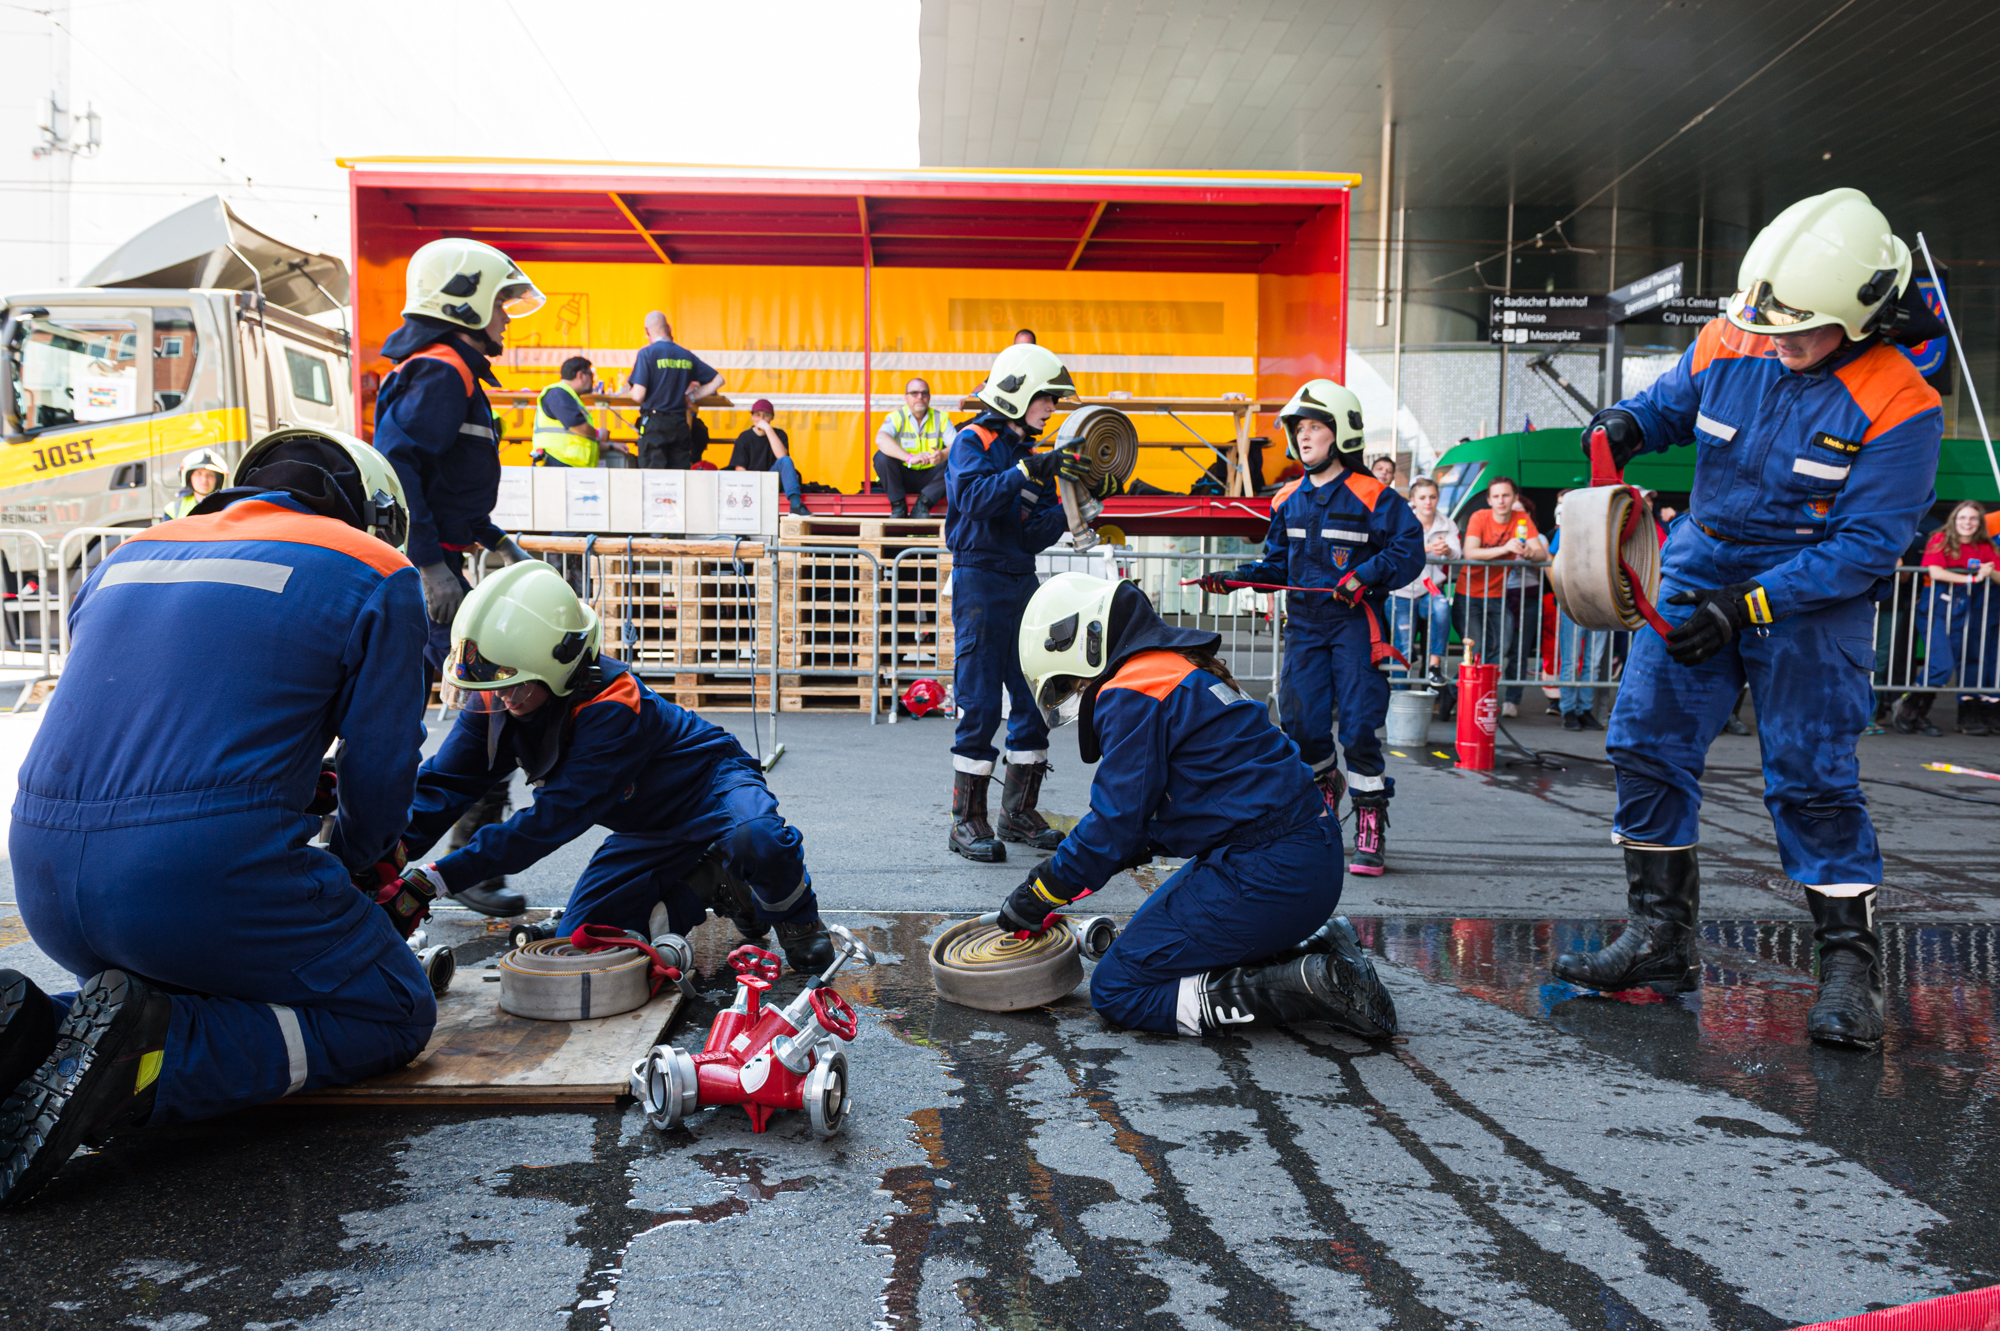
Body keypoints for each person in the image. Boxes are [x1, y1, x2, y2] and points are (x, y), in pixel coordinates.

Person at [1551, 188, 1946, 1049]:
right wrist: (1626, 420)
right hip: (1704, 553)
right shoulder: (1737, 331)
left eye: (1802, 333)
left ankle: (1848, 967)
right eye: (1771, 327)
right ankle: (1659, 940)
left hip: (1813, 595)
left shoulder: (1904, 403)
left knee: (1811, 777)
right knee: (1644, 741)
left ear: (1865, 315)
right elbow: (1670, 405)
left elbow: (1867, 545)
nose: (1780, 343)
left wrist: (1747, 608)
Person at [0, 428, 431, 1206]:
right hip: (192, 878)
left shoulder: (124, 556)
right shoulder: (378, 570)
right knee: (391, 1007)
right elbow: (382, 763)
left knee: (177, 975)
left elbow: (150, 720)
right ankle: (151, 1059)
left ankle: (32, 1034)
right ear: (367, 512)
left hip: (45, 879)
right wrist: (358, 865)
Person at [999, 572, 1398, 1040]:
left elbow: (1113, 827)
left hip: (1269, 874)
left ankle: (1307, 986)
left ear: (1086, 641)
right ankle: (1317, 946)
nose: (1072, 693)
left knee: (1121, 987)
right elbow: (1192, 808)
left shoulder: (1134, 689)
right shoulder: (1177, 670)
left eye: (1067, 682)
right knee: (1151, 949)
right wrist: (1105, 859)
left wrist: (1038, 893)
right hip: (1300, 863)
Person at [390, 561, 835, 974]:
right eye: (494, 686)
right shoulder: (502, 689)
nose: (502, 698)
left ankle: (795, 919)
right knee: (582, 941)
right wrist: (381, 860)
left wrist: (436, 880)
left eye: (514, 686)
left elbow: (552, 819)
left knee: (754, 838)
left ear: (559, 664)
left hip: (710, 789)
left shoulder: (613, 705)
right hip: (648, 826)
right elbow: (443, 784)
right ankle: (713, 881)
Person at [1201, 381, 1423, 876]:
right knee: (1300, 725)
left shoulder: (1375, 497)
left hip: (1354, 628)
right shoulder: (1286, 499)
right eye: (1298, 429)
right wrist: (1235, 580)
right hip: (1304, 628)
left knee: (1362, 725)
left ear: (1340, 433)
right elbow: (1277, 564)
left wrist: (1366, 575)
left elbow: (1409, 550)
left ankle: (1370, 820)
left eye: (1315, 427)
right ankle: (1326, 785)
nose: (1304, 437)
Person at [943, 343, 1091, 861]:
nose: (1052, 409)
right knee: (980, 700)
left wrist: (1088, 505)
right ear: (1019, 392)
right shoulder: (972, 440)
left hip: (1019, 578)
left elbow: (1032, 537)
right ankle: (967, 821)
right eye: (1047, 398)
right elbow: (974, 500)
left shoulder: (1034, 457)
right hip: (978, 580)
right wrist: (1031, 471)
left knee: (1033, 697)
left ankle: (1018, 812)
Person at [373, 236, 542, 670]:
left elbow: (448, 483)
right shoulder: (443, 371)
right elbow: (396, 465)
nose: (506, 319)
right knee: (480, 676)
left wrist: (499, 543)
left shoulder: (450, 369)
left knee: (476, 674)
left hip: (432, 553)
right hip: (423, 559)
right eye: (500, 305)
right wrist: (429, 568)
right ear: (465, 306)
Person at [1456, 476, 1547, 717]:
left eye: (1506, 495)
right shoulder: (1480, 517)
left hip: (1497, 595)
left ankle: (1479, 697)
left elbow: (1541, 553)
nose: (1501, 501)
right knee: (1476, 651)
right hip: (1469, 594)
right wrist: (1506, 548)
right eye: (1496, 496)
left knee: (1502, 647)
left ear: (1515, 498)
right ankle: (1463, 696)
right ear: (1489, 500)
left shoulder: (1521, 518)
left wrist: (1529, 552)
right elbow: (1470, 552)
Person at [1911, 500, 1999, 735]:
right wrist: (1973, 578)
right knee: (1942, 666)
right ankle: (1909, 709)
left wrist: (1990, 572)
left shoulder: (1984, 546)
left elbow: (1995, 571)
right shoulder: (1941, 539)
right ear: (1954, 519)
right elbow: (1935, 571)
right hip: (1937, 607)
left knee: (1955, 663)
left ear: (1979, 522)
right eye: (1962, 518)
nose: (1967, 523)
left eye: (1972, 518)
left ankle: (1916, 715)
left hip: (1963, 610)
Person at [627, 313, 725, 470]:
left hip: (654, 423)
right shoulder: (685, 354)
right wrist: (692, 396)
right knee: (678, 478)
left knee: (653, 478)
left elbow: (638, 395)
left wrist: (630, 388)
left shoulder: (647, 354)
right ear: (669, 328)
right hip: (680, 423)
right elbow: (719, 380)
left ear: (646, 331)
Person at [1388, 476, 1459, 681]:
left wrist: (1446, 549)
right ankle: (1400, 700)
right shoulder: (1401, 520)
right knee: (1403, 649)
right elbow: (1394, 550)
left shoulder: (1447, 523)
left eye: (1433, 496)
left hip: (1431, 589)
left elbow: (1457, 552)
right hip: (1401, 591)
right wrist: (1425, 549)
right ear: (1413, 499)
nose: (1428, 502)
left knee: (1442, 607)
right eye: (1423, 497)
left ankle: (1434, 666)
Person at [1546, 508, 1608, 730]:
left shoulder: (1608, 529)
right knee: (1572, 658)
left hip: (1601, 599)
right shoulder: (1568, 528)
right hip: (1574, 598)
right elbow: (1551, 558)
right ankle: (1570, 709)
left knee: (1592, 660)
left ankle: (1583, 710)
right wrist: (1559, 590)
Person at [874, 378, 950, 517]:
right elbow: (881, 438)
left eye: (924, 393)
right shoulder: (896, 417)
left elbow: (958, 446)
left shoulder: (942, 418)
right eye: (914, 393)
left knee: (955, 462)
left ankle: (922, 506)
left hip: (931, 480)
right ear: (906, 397)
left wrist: (943, 455)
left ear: (929, 397)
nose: (920, 397)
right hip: (902, 478)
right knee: (881, 457)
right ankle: (898, 507)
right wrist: (910, 457)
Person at [727, 399, 810, 516]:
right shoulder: (744, 437)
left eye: (766, 415)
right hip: (752, 483)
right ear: (752, 417)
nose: (761, 419)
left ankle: (796, 505)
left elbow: (782, 456)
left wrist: (768, 429)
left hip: (773, 481)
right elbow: (740, 469)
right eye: (758, 415)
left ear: (772, 417)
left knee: (786, 460)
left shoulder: (780, 434)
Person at [530, 357, 612, 468]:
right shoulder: (558, 393)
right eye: (591, 374)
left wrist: (611, 446)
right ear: (581, 376)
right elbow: (576, 425)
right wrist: (600, 434)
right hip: (557, 463)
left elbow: (579, 439)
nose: (593, 380)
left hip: (564, 463)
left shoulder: (566, 395)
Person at [163, 447, 227, 520]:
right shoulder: (173, 510)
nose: (204, 479)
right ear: (189, 477)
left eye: (210, 475)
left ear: (218, 480)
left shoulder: (227, 507)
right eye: (199, 474)